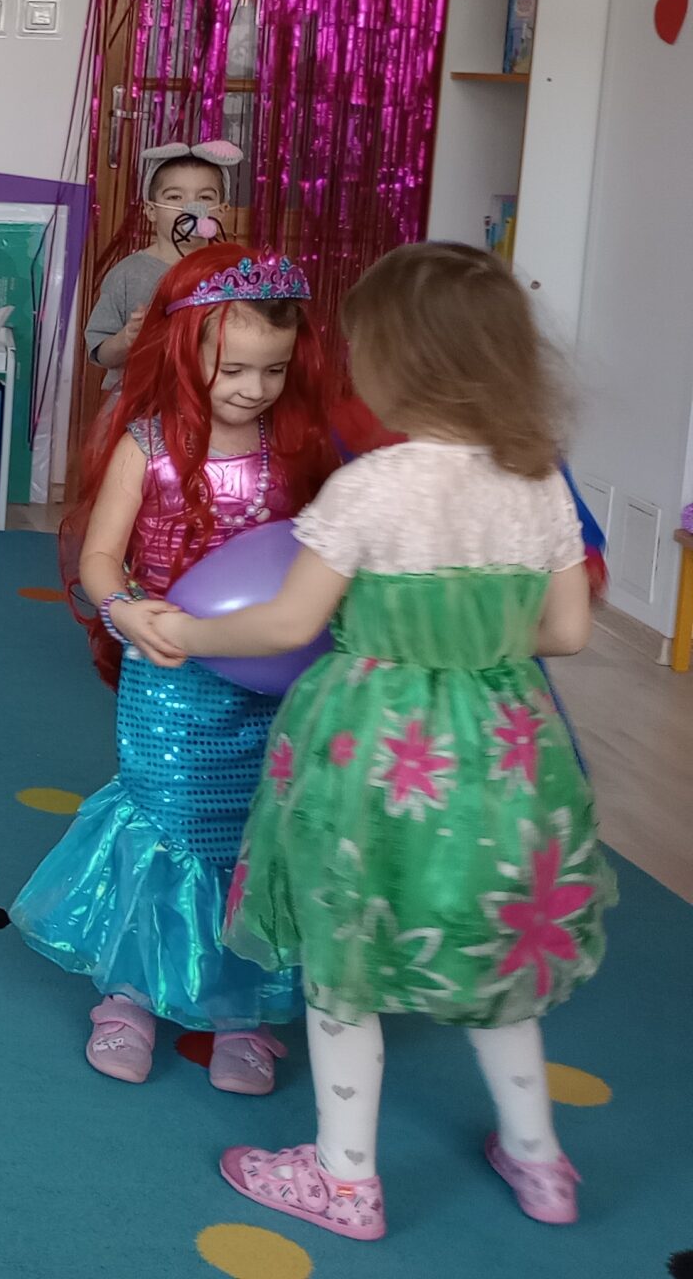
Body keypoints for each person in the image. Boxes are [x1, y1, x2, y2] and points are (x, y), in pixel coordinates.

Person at [151, 242, 612, 1242]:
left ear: (399, 361)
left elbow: (285, 622)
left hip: (374, 749)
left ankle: (344, 1178)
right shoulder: (535, 479)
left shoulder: (370, 489)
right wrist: (472, 643)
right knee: (496, 948)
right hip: (502, 749)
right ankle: (539, 1159)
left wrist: (185, 632)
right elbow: (568, 632)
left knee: (346, 959)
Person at [11, 245, 340, 1096]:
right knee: (170, 824)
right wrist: (123, 610)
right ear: (187, 351)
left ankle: (241, 1009)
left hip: (271, 685)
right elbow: (101, 557)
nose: (254, 388)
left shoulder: (296, 450)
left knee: (252, 836)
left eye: (274, 370)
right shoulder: (148, 444)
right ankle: (130, 994)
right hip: (171, 678)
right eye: (234, 368)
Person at [84, 141, 242, 391]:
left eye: (204, 197)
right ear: (151, 210)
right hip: (139, 400)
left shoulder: (235, 271)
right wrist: (127, 339)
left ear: (221, 210)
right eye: (175, 197)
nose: (190, 207)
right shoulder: (127, 274)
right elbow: (101, 353)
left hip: (211, 398)